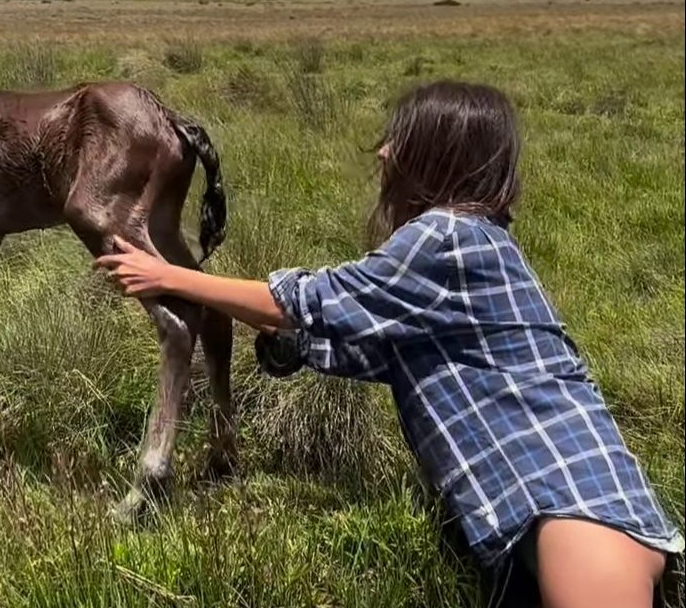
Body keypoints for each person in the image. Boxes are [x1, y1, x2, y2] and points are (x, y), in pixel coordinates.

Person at [93, 80, 684, 608]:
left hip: (570, 505)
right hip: (556, 511)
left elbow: (310, 299)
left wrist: (170, 276)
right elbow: (382, 348)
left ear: (437, 157)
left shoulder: (447, 236)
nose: (382, 153)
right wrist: (293, 343)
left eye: (399, 141)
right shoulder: (477, 243)